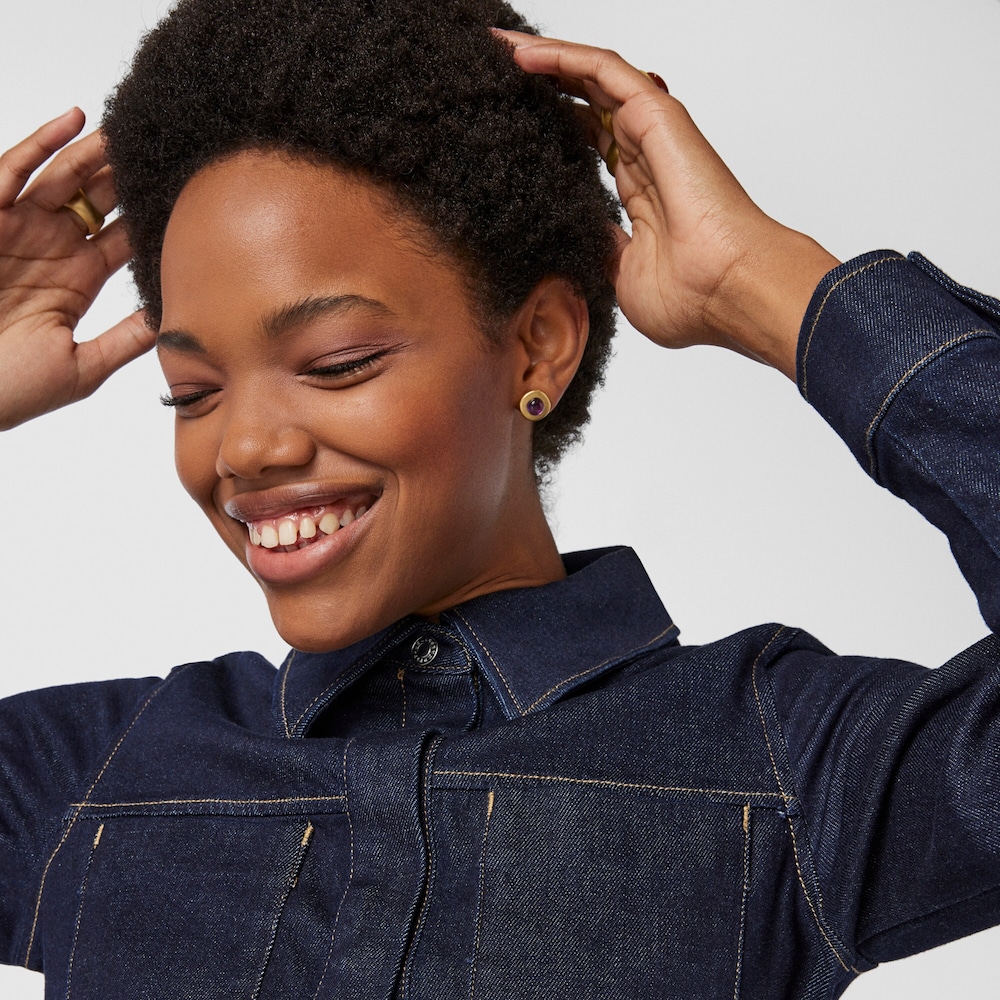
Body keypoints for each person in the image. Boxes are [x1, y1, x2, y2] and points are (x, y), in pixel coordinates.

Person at [1, 0, 998, 997]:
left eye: (337, 363)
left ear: (538, 346)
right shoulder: (94, 778)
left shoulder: (784, 766)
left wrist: (760, 279)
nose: (246, 446)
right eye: (194, 393)